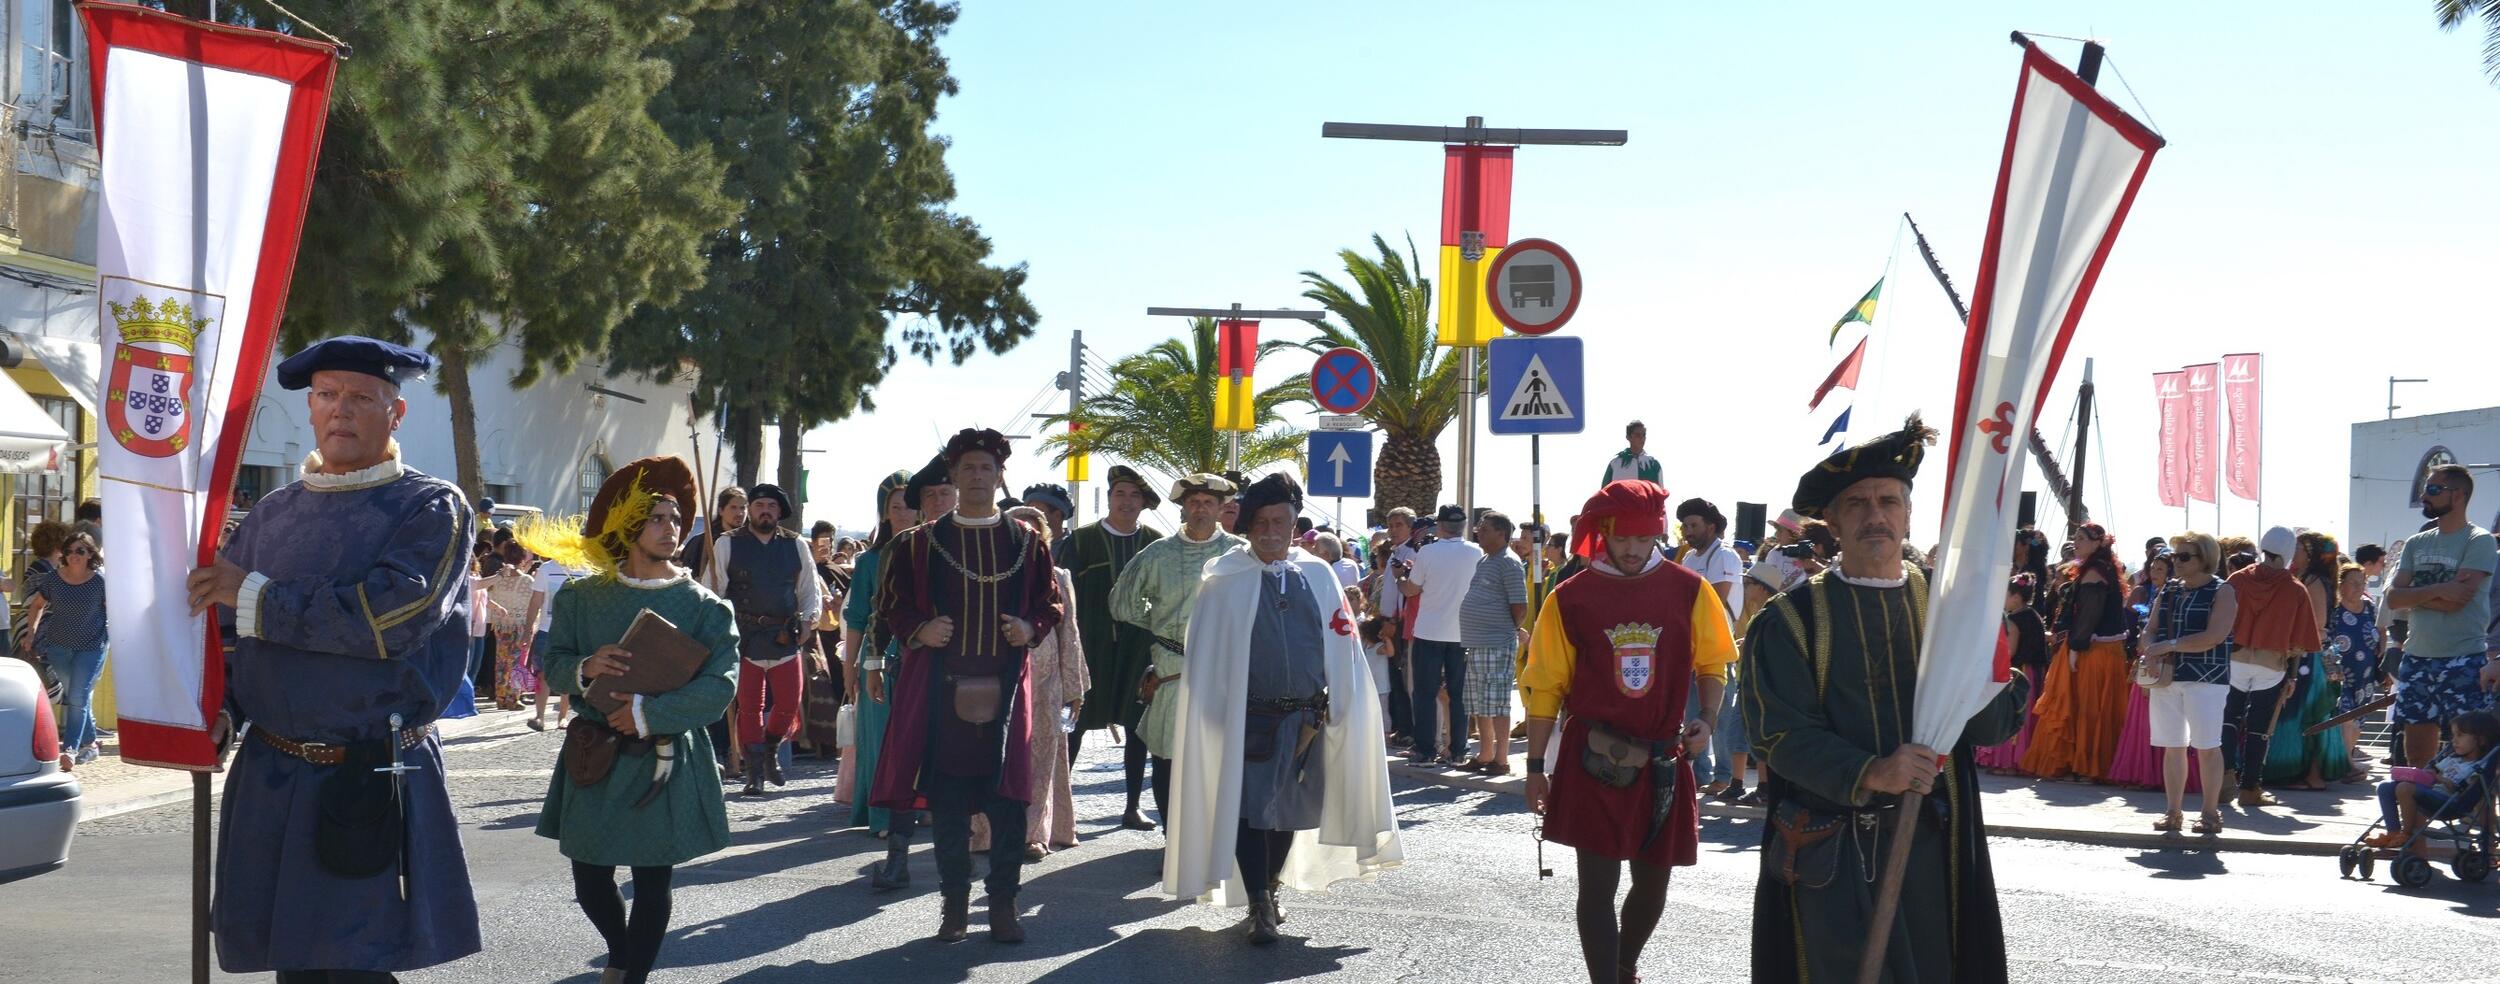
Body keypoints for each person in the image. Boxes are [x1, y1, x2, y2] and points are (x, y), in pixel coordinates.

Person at [183, 336, 480, 980]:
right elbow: (228, 635)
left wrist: (257, 594)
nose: (340, 409)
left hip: (370, 772)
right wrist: (223, 710)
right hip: (272, 773)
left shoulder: (431, 507)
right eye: (327, 395)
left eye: (361, 397)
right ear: (311, 407)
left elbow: (393, 618)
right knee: (296, 968)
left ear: (396, 413)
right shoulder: (272, 513)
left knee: (354, 969)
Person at [1743, 415, 2029, 984]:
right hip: (1831, 854)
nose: (1875, 515)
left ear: (1908, 513)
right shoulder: (1790, 620)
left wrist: (1990, 664)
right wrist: (1874, 771)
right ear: (1831, 521)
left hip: (1936, 849)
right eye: (1857, 503)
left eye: (1888, 501)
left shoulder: (1952, 608)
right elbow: (1777, 735)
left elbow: (1991, 726)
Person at [1159, 474, 1402, 943]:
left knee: (1287, 813)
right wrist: (1213, 714)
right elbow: (1207, 656)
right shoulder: (1225, 579)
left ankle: (1269, 889)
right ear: (1249, 527)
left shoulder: (1318, 575)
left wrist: (1344, 701)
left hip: (1305, 721)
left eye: (1281, 522)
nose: (1271, 532)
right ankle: (1258, 902)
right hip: (1246, 720)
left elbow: (1343, 645)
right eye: (1262, 523)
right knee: (1247, 811)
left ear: (1294, 526)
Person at [523, 457, 738, 984]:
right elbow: (552, 662)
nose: (672, 528)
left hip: (663, 756)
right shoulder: (582, 597)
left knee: (651, 879)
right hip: (594, 754)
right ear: (629, 524)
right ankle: (621, 954)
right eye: (658, 518)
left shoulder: (706, 607)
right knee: (589, 878)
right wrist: (585, 667)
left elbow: (720, 686)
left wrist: (648, 713)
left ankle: (631, 975)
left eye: (677, 519)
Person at [1522, 480, 1735, 984]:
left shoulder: (1690, 589)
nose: (1634, 549)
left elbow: (1713, 662)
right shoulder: (1570, 597)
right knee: (1597, 887)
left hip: (1664, 756)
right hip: (1592, 757)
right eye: (1622, 539)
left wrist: (1707, 717)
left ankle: (1624, 967)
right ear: (1603, 534)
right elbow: (1545, 687)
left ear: (1658, 533)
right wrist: (1534, 768)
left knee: (1654, 885)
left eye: (1643, 538)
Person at [869, 428, 1063, 944]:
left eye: (987, 468)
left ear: (1000, 477)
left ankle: (1003, 905)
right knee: (949, 806)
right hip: (939, 692)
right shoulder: (918, 544)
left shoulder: (1027, 543)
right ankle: (954, 906)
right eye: (969, 468)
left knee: (1009, 803)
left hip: (1008, 690)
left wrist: (1029, 628)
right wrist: (920, 629)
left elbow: (1050, 604)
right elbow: (891, 606)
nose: (978, 476)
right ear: (953, 476)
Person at [1111, 473, 1244, 829]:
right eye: (1194, 502)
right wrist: (1161, 625)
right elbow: (1121, 604)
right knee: (1167, 758)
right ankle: (1174, 840)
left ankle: (1215, 842)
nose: (1200, 509)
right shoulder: (1157, 554)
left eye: (1208, 503)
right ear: (1183, 507)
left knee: (1219, 757)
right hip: (1171, 669)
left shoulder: (1241, 554)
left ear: (1221, 508)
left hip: (1224, 669)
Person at [700, 482, 823, 797]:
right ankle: (754, 772)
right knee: (750, 705)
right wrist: (716, 627)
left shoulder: (795, 544)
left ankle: (770, 751)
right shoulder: (727, 543)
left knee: (789, 702)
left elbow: (809, 588)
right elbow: (713, 590)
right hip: (745, 636)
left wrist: (808, 621)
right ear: (750, 510)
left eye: (771, 506)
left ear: (779, 512)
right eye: (758, 505)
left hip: (784, 634)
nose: (764, 511)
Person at [1062, 464, 1164, 829]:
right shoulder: (1081, 540)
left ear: (1143, 502)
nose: (1127, 501)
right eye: (1120, 494)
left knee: (1138, 726)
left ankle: (1132, 807)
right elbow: (1062, 596)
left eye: (1134, 495)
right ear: (1108, 498)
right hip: (1090, 646)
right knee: (1074, 724)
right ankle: (1061, 811)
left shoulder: (1155, 542)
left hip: (1138, 649)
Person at [990, 504, 1088, 860]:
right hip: (997, 679)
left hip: (1046, 683)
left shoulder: (1058, 576)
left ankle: (1034, 834)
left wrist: (1074, 688)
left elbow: (1069, 633)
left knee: (1042, 759)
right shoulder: (989, 574)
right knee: (995, 757)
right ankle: (987, 832)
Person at [2395, 465, 2498, 766]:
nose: (2424, 496)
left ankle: (2466, 801)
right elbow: (2393, 598)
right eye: (2425, 489)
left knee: (2469, 753)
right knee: (2416, 756)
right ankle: (2417, 797)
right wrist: (2440, 589)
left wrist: (2414, 595)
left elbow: (2457, 602)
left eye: (2433, 489)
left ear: (2459, 495)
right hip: (2416, 657)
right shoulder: (2416, 543)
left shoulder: (2479, 540)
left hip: (2463, 658)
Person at [2138, 532, 2237, 835]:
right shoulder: (2169, 589)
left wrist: (2168, 646)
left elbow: (2215, 636)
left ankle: (2210, 813)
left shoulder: (2222, 591)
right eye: (2174, 556)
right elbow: (2149, 630)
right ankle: (2173, 812)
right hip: (2168, 677)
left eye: (2183, 556)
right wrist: (2150, 649)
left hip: (2206, 679)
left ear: (2204, 558)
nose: (2176, 562)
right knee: (2173, 746)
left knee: (2207, 747)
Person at [2019, 523, 2130, 782]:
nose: (2076, 542)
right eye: (2076, 537)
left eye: (2082, 538)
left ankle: (2086, 766)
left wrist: (2076, 648)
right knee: (2090, 708)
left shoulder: (2094, 572)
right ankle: (2084, 766)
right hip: (2102, 650)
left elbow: (2089, 615)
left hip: (2093, 651)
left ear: (2097, 543)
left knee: (2087, 707)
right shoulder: (2102, 568)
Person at [2221, 526, 2322, 809]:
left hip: (2234, 661)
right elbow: (2300, 642)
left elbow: (2219, 621)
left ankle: (2223, 781)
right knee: (2260, 728)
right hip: (2271, 665)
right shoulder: (2296, 589)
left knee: (2228, 721)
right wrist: (2292, 677)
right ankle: (2250, 788)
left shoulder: (2237, 580)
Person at [844, 469, 917, 855]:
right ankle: (884, 814)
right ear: (884, 512)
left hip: (920, 656)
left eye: (910, 506)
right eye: (896, 507)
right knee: (880, 738)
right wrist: (850, 668)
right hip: (878, 658)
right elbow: (857, 618)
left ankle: (921, 807)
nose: (904, 513)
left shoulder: (932, 553)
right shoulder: (869, 561)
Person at [1400, 504, 1483, 766]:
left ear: (1440, 526)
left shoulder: (1427, 552)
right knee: (1458, 694)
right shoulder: (1476, 552)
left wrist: (1401, 578)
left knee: (1425, 693)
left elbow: (1412, 589)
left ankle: (1425, 750)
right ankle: (1458, 749)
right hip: (1463, 632)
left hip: (1429, 631)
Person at [2267, 531, 2350, 789]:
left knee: (2308, 713)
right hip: (2313, 653)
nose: (2295, 553)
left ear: (2311, 554)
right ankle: (2309, 774)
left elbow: (2318, 622)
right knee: (2312, 713)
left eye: (2299, 549)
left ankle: (2311, 775)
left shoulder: (2312, 580)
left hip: (2308, 656)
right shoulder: (2314, 579)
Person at [1673, 498, 1744, 797]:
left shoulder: (1724, 556)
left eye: (1693, 525)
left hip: (1716, 649)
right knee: (1693, 714)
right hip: (1691, 649)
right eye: (1685, 525)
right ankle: (1699, 775)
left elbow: (1714, 601)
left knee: (1720, 716)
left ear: (1711, 526)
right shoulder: (1689, 559)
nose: (1687, 531)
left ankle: (1724, 776)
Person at [21, 532, 105, 764]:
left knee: (77, 696)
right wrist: (31, 633)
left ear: (90, 554)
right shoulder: (53, 579)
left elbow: (115, 610)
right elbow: (37, 605)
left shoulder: (100, 582)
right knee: (77, 695)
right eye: (69, 551)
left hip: (92, 646)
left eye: (80, 551)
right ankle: (91, 743)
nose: (73, 555)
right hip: (59, 647)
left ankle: (70, 750)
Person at [2364, 710, 2500, 849]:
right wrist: (2423, 775)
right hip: (2431, 793)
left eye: (2460, 735)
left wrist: (2440, 779)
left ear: (2481, 740)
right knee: (2384, 787)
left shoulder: (2478, 767)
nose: (2454, 740)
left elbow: (2465, 792)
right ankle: (2393, 831)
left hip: (2450, 801)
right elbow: (2433, 773)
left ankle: (2407, 833)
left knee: (2404, 788)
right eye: (2453, 735)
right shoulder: (2452, 759)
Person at [1458, 509, 1529, 776]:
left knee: (1497, 703)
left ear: (1501, 533)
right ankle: (1485, 754)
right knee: (1480, 702)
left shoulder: (1508, 562)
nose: (1479, 532)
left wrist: (1507, 629)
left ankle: (1501, 759)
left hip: (1496, 642)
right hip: (1479, 642)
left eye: (1485, 529)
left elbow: (1519, 606)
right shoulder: (1486, 560)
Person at [1978, 574, 2051, 775]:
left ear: (2016, 598)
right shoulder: (2034, 615)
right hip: (2035, 671)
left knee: (2014, 712)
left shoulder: (2013, 620)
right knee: (2028, 715)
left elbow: (2009, 651)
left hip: (2020, 672)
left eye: (2005, 595)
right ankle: (2024, 760)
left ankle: (2009, 762)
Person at [2329, 562, 2389, 768]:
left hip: (2366, 676)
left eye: (2362, 582)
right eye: (2353, 582)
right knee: (2345, 715)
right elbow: (2326, 641)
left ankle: (2346, 758)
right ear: (2341, 585)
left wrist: (2382, 648)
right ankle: (2347, 764)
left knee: (2359, 720)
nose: (2358, 587)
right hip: (2342, 675)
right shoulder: (2334, 611)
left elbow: (2382, 630)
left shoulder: (2370, 608)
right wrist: (2331, 668)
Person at [523, 552, 578, 732]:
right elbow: (535, 602)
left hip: (573, 631)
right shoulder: (546, 569)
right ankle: (539, 716)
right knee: (542, 673)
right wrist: (528, 629)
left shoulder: (586, 569)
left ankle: (563, 717)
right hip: (547, 630)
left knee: (568, 674)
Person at [483, 542, 541, 710]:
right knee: (517, 663)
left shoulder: (499, 578)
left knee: (501, 661)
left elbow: (489, 597)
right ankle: (513, 697)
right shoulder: (527, 580)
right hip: (521, 626)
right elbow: (534, 604)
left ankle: (501, 696)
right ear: (522, 559)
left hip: (501, 625)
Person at [678, 487, 745, 581]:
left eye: (743, 508)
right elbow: (685, 576)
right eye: (733, 507)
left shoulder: (750, 543)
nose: (740, 513)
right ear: (721, 510)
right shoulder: (701, 542)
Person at [1600, 420, 1662, 487]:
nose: (1642, 438)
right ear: (1628, 437)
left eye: (1644, 435)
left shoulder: (1653, 464)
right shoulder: (1615, 464)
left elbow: (1660, 490)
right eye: (1637, 435)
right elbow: (1604, 490)